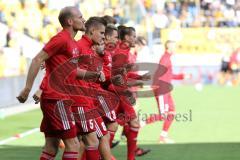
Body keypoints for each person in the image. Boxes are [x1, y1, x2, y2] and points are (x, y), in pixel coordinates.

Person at [17, 6, 86, 160]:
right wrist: (28, 88)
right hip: (57, 99)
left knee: (52, 145)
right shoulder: (61, 39)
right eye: (80, 17)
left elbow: (64, 71)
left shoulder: (72, 43)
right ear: (69, 21)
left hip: (56, 98)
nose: (83, 20)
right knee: (73, 144)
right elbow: (37, 59)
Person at [152, 40, 186, 143]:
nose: (176, 49)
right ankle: (141, 123)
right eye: (174, 47)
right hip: (162, 89)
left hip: (166, 90)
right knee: (164, 115)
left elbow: (169, 75)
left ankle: (163, 136)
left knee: (172, 111)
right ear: (169, 47)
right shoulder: (165, 59)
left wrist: (182, 76)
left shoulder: (168, 58)